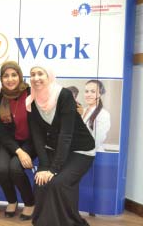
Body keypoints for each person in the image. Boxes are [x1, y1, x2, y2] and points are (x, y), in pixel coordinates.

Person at [26, 66, 95, 226]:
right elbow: (37, 136)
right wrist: (43, 166)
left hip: (81, 150)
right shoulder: (32, 100)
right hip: (58, 150)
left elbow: (66, 135)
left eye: (40, 73)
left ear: (49, 76)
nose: (36, 78)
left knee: (59, 183)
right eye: (32, 74)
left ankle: (70, 223)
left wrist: (53, 169)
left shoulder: (63, 95)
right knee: (41, 181)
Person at [0, 61, 35, 220]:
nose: (10, 79)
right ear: (1, 78)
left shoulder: (31, 93)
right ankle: (11, 201)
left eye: (13, 75)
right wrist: (18, 151)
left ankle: (30, 202)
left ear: (19, 75)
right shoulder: (1, 97)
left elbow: (38, 126)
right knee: (1, 168)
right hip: (11, 142)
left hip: (30, 142)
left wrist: (25, 151)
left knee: (15, 168)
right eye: (6, 76)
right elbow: (1, 131)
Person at [82, 80, 111, 150]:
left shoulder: (103, 114)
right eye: (86, 91)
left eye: (93, 91)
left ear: (99, 94)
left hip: (94, 154)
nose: (88, 95)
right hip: (79, 154)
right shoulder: (82, 111)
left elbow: (95, 142)